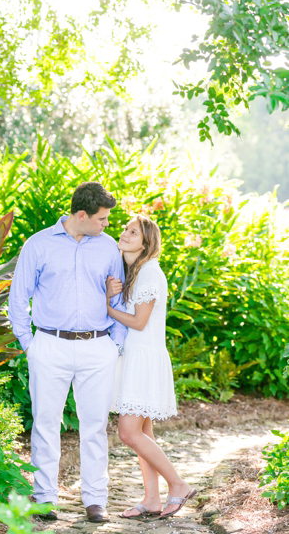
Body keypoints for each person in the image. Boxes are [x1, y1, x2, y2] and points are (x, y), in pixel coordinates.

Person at [8, 182, 127, 523]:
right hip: (49, 345)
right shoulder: (39, 245)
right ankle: (45, 497)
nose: (107, 225)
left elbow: (117, 299)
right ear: (81, 215)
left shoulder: (107, 249)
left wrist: (114, 345)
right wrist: (31, 345)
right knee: (46, 424)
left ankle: (95, 500)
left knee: (95, 426)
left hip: (97, 347)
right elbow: (19, 299)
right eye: (102, 219)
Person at [106, 215, 197, 519]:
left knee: (128, 432)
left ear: (146, 244)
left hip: (144, 359)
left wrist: (106, 306)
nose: (125, 233)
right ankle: (152, 499)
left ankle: (178, 484)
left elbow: (139, 322)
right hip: (136, 357)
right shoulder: (137, 272)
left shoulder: (149, 273)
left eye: (134, 232)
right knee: (144, 432)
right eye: (126, 229)